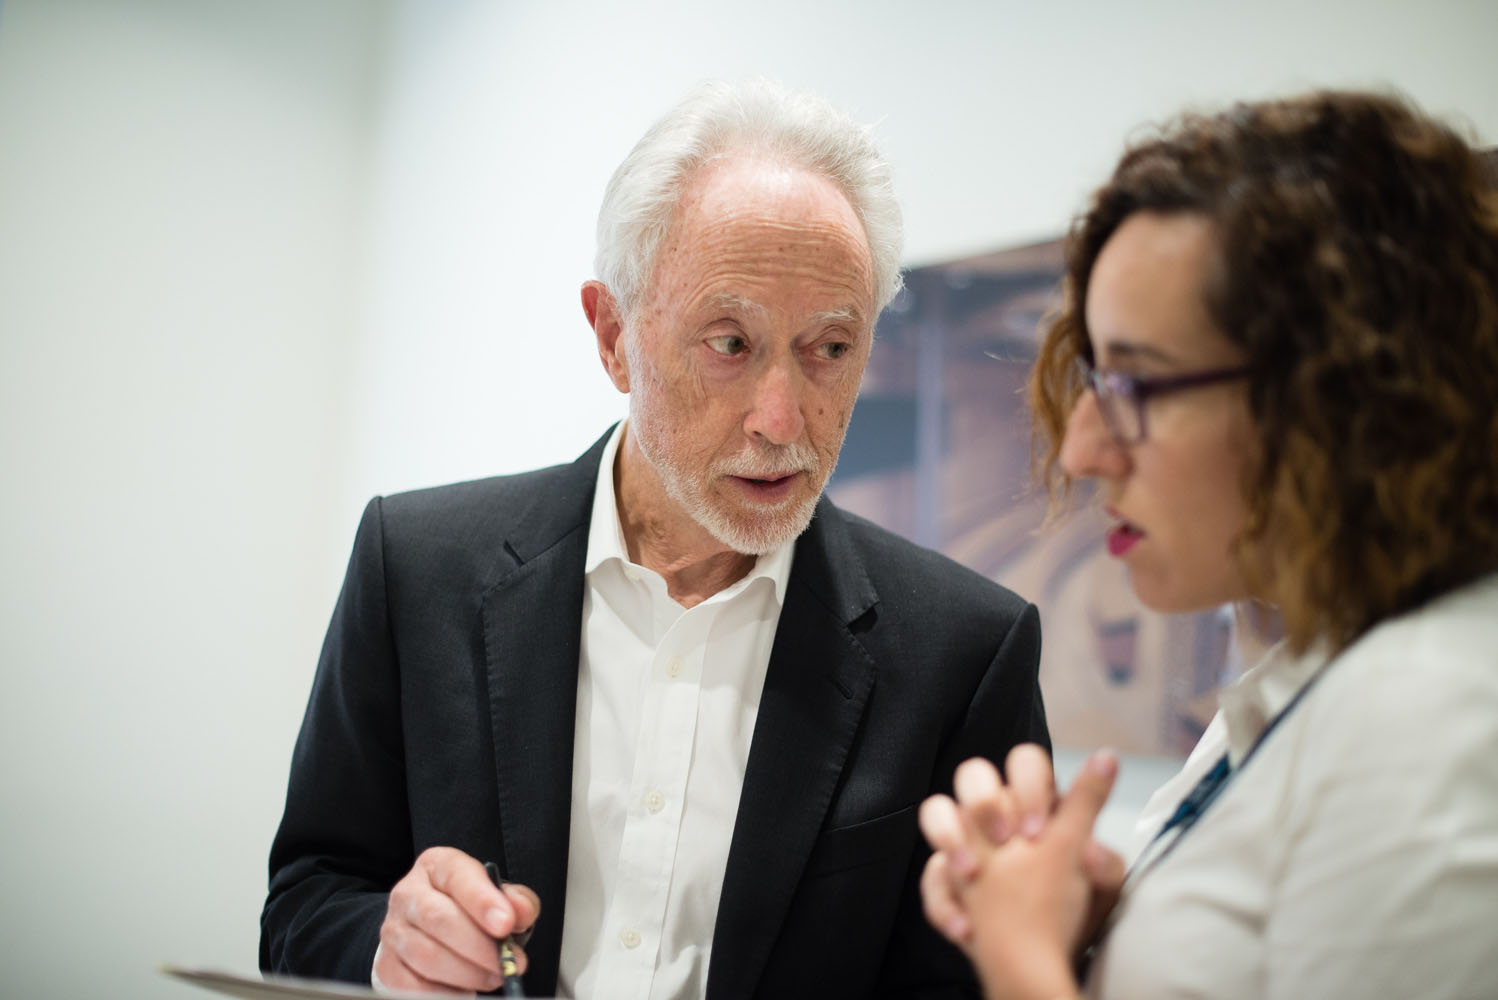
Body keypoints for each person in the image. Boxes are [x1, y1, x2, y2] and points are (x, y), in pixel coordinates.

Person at [260, 79, 1048, 1000]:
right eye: (730, 343)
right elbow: (306, 900)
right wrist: (391, 948)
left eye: (831, 348)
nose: (782, 420)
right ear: (613, 336)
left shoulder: (964, 651)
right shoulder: (416, 566)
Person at [918, 90, 1498, 999]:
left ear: (1336, 395)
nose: (1080, 452)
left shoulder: (1432, 723)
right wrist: (1097, 924)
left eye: (1137, 385)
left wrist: (1021, 955)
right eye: (1094, 377)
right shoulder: (1308, 674)